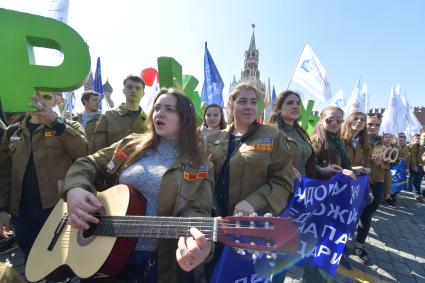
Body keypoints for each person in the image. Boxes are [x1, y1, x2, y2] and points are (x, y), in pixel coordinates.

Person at [61, 88, 213, 283]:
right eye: (157, 108)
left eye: (169, 109)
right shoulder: (131, 144)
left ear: (185, 118)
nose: (160, 113)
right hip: (103, 249)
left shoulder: (199, 164)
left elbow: (197, 211)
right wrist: (75, 188)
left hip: (153, 262)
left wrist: (198, 241)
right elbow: (88, 163)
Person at [204, 82, 294, 279]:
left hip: (248, 229)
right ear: (230, 105)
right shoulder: (215, 138)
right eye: (242, 101)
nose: (249, 107)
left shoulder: (273, 136)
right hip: (214, 224)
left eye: (253, 102)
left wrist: (252, 202)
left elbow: (283, 182)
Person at [0, 93, 89, 259]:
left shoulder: (69, 126)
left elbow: (84, 154)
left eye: (46, 97)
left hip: (57, 210)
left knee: (59, 261)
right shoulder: (13, 130)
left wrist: (56, 122)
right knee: (31, 259)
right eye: (34, 96)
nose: (39, 102)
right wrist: (2, 209)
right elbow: (4, 174)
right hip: (21, 212)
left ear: (56, 100)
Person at [268, 90, 321, 283]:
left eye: (298, 103)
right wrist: (285, 168)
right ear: (279, 109)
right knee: (283, 244)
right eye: (290, 103)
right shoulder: (271, 131)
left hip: (303, 196)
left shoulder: (301, 132)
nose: (296, 106)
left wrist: (325, 170)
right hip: (283, 196)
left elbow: (308, 163)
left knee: (295, 243)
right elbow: (262, 160)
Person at [353, 113, 390, 263]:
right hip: (358, 182)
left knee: (367, 216)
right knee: (351, 213)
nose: (374, 127)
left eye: (377, 125)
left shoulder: (384, 144)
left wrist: (381, 163)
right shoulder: (356, 140)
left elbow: (389, 166)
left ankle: (358, 246)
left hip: (377, 182)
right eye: (370, 124)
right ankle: (340, 242)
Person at [92, 75, 147, 151]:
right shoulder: (108, 116)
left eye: (138, 88)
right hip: (113, 162)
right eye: (129, 87)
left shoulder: (150, 119)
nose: (133, 90)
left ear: (143, 93)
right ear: (123, 91)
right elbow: (98, 149)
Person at [311, 106, 356, 180]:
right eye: (329, 120)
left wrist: (354, 169)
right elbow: (308, 164)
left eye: (339, 120)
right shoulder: (316, 140)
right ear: (322, 120)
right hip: (322, 185)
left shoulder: (337, 140)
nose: (334, 123)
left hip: (336, 185)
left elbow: (342, 165)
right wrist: (322, 170)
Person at [340, 112, 371, 176]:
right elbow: (333, 163)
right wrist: (352, 168)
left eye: (362, 120)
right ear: (349, 121)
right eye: (355, 119)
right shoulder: (339, 139)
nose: (359, 121)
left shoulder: (365, 143)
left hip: (357, 181)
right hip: (341, 180)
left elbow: (366, 162)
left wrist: (367, 169)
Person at [409, 133, 425, 201]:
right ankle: (417, 194)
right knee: (417, 181)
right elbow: (413, 156)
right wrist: (414, 165)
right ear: (421, 137)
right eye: (424, 136)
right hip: (419, 166)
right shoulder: (416, 145)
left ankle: (423, 193)